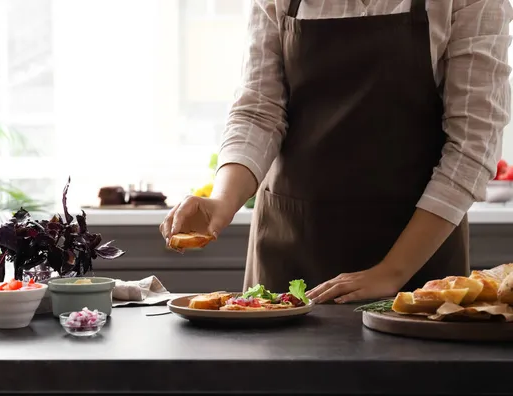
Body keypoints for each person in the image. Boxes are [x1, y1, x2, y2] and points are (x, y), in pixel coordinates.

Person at [160, 0, 513, 304]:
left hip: (416, 264)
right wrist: (222, 201)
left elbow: (472, 144)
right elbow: (258, 110)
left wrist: (392, 271)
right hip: (291, 246)